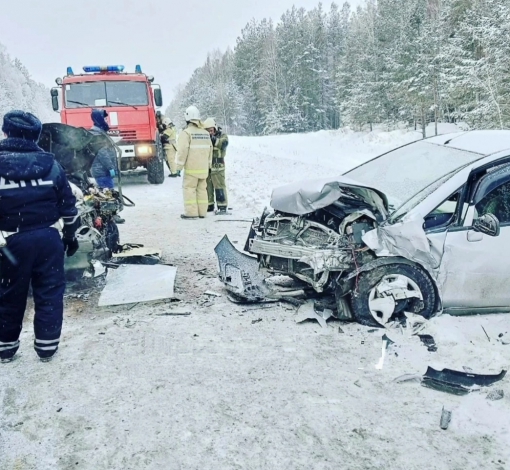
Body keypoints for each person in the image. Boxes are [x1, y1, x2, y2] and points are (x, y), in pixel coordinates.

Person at [0, 110, 80, 363]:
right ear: (35, 136)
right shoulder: (52, 166)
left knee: (9, 293)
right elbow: (68, 204)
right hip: (48, 238)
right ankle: (46, 348)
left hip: (10, 241)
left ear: (6, 132)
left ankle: (5, 347)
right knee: (50, 292)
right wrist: (70, 234)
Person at [175, 106, 213, 219]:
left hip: (191, 169)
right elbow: (210, 150)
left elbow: (182, 151)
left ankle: (191, 213)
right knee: (202, 190)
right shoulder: (205, 133)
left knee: (189, 189)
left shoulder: (186, 133)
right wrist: (209, 165)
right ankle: (202, 213)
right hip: (204, 169)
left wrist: (178, 167)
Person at [89, 109, 125, 224]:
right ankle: (110, 216)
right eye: (104, 118)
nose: (106, 120)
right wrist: (111, 168)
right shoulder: (97, 134)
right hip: (102, 170)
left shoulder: (99, 132)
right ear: (99, 120)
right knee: (106, 194)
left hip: (101, 170)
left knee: (106, 193)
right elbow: (102, 153)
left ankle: (108, 215)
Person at [203, 118, 230, 214]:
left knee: (219, 187)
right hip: (208, 168)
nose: (210, 133)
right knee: (208, 188)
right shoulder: (204, 139)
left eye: (211, 130)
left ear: (214, 129)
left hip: (218, 167)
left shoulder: (222, 136)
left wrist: (215, 140)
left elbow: (224, 143)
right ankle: (209, 205)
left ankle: (222, 206)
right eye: (207, 131)